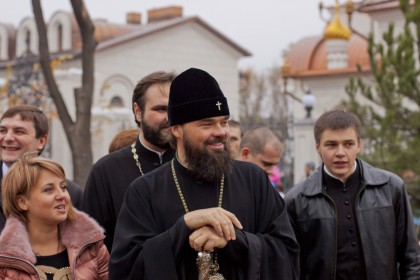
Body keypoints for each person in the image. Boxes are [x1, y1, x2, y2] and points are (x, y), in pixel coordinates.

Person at [109, 68, 299, 280]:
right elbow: (126, 270)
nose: (221, 132)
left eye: (224, 122)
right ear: (177, 129)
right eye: (207, 124)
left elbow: (287, 255)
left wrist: (235, 240)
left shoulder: (253, 180)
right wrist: (183, 228)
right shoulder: (144, 191)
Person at [284, 109, 420, 280]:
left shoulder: (391, 187)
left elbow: (411, 257)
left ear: (359, 144)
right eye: (331, 145)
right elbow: (290, 266)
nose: (340, 152)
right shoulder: (297, 199)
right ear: (318, 147)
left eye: (348, 144)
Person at [82, 71, 176, 250]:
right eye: (160, 109)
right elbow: (91, 247)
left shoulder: (195, 165)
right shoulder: (106, 171)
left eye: (175, 109)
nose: (169, 117)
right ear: (138, 112)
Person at [0, 154, 109, 279]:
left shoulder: (92, 247)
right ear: (22, 202)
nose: (61, 195)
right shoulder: (4, 260)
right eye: (48, 190)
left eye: (63, 187)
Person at [0, 105, 83, 230]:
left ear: (42, 141)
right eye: (2, 131)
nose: (8, 138)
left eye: (19, 131)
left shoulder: (70, 194)